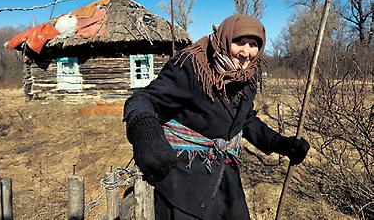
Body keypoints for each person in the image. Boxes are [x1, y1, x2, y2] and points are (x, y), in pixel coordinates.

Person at [123, 14, 310, 219]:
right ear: (226, 38)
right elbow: (143, 99)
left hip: (225, 176)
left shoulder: (248, 75)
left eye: (254, 44)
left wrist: (279, 143)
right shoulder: (193, 66)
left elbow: (245, 119)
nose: (246, 52)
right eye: (240, 42)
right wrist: (146, 133)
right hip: (184, 179)